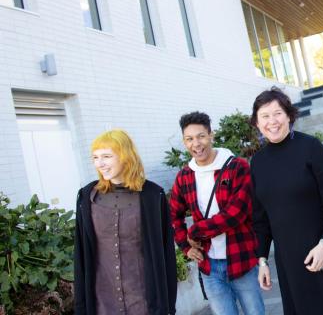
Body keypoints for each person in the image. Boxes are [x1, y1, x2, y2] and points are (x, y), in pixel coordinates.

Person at [250, 87, 323, 315]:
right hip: (288, 262)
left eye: (277, 113)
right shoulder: (257, 163)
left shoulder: (311, 148)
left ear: (289, 115)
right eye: (265, 116)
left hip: (322, 253)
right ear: (257, 124)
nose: (272, 121)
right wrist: (262, 261)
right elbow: (260, 219)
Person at [169, 111, 264, 315]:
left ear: (211, 135)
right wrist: (185, 246)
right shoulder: (185, 176)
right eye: (189, 139)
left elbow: (235, 214)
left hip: (241, 259)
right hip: (209, 266)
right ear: (184, 142)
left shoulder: (236, 167)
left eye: (201, 136)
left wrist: (195, 231)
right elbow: (174, 214)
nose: (196, 143)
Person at [74, 129, 177, 315]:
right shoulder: (86, 197)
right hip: (102, 302)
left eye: (106, 156)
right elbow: (81, 255)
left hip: (143, 301)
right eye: (95, 157)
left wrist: (168, 305)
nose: (100, 163)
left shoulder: (153, 196)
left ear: (125, 156)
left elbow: (166, 252)